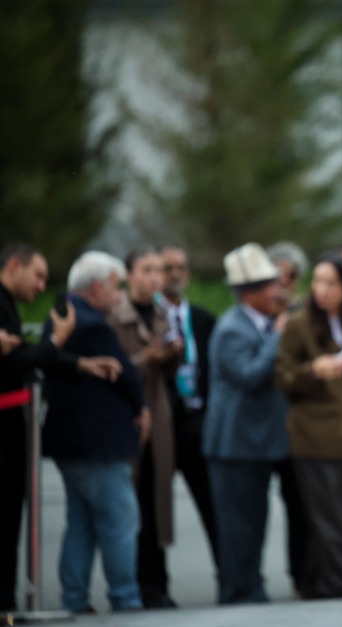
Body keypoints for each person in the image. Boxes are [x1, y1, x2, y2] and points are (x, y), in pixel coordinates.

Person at [0, 243, 121, 611]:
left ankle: (7, 604)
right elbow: (16, 361)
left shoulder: (8, 304)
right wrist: (57, 341)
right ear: (14, 266)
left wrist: (78, 363)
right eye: (37, 275)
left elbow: (18, 353)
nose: (41, 286)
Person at [42, 251, 151, 613]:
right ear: (98, 286)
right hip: (98, 440)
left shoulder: (60, 316)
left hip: (69, 441)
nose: (119, 295)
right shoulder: (92, 324)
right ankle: (125, 596)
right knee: (119, 520)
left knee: (81, 522)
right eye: (116, 286)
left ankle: (74, 598)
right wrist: (141, 407)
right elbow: (125, 374)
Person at [275, 255, 342, 599]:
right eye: (318, 281)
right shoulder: (299, 323)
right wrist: (313, 371)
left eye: (331, 283)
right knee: (326, 519)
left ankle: (321, 584)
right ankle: (335, 589)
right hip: (313, 434)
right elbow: (283, 377)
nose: (321, 289)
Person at [203, 243, 289, 604]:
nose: (278, 292)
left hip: (253, 443)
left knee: (253, 520)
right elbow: (251, 375)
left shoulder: (258, 323)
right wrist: (278, 336)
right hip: (234, 444)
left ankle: (250, 585)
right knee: (238, 525)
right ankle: (239, 590)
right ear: (248, 292)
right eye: (270, 285)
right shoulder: (231, 330)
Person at [107, 247, 182, 609]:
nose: (156, 277)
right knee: (130, 502)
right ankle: (133, 585)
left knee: (157, 497)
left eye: (159, 270)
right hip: (127, 415)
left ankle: (158, 583)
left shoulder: (162, 312)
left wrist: (173, 355)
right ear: (128, 274)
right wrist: (145, 358)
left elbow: (168, 373)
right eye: (147, 270)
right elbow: (112, 368)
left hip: (159, 412)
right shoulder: (113, 314)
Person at [156, 246, 220, 578]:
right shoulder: (147, 317)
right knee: (155, 506)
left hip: (198, 419)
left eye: (181, 267)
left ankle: (231, 579)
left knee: (214, 503)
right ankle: (155, 587)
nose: (175, 274)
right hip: (162, 421)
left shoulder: (204, 319)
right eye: (168, 268)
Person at [263, 241, 311, 594]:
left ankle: (302, 573)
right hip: (259, 425)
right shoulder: (254, 311)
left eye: (291, 276)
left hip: (296, 423)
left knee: (300, 502)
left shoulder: (303, 313)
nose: (283, 282)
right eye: (276, 275)